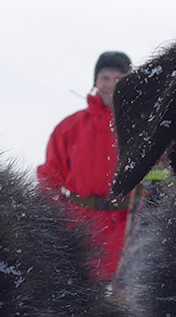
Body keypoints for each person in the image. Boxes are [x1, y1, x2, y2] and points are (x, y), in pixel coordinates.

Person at [37, 51, 135, 280]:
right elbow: (50, 178)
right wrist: (51, 223)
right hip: (82, 233)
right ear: (96, 82)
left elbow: (160, 175)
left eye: (119, 78)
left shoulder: (141, 127)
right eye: (105, 78)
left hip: (129, 233)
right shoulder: (70, 127)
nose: (111, 85)